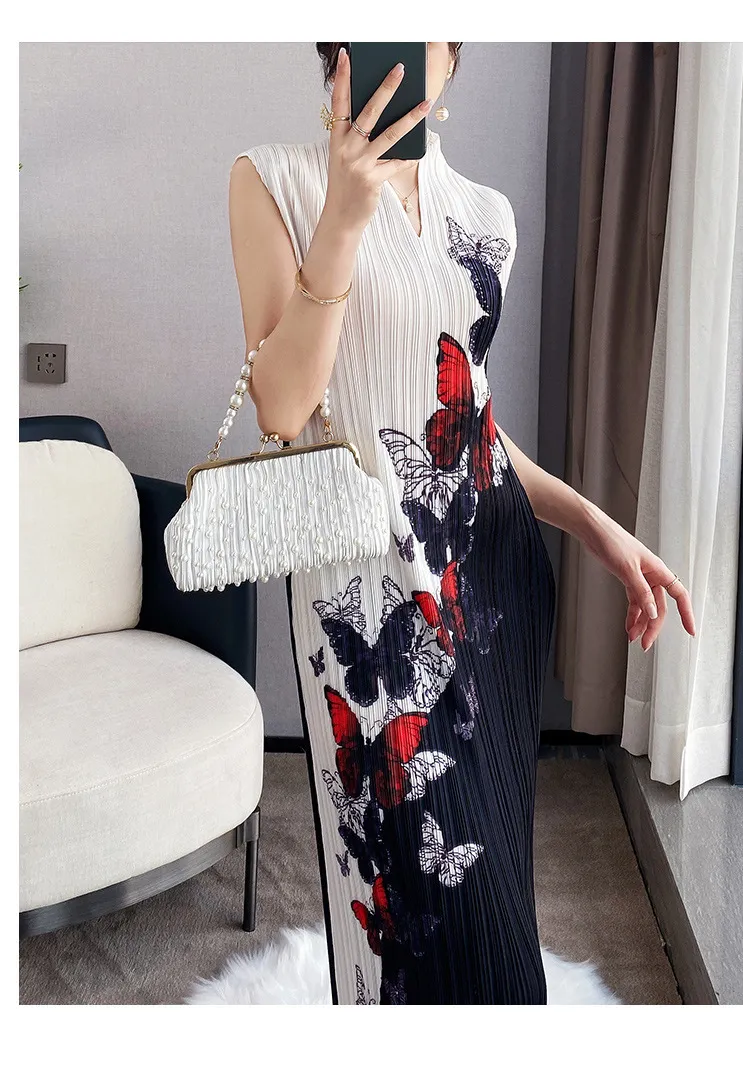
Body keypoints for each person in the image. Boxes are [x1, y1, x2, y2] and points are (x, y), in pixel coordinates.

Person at [228, 42, 696, 1005]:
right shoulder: (272, 181)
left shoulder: (487, 215)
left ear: (452, 55)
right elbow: (283, 407)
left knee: (494, 905)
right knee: (406, 913)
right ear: (336, 47)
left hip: (492, 585)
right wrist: (344, 220)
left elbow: (470, 429)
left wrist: (599, 528)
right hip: (368, 612)